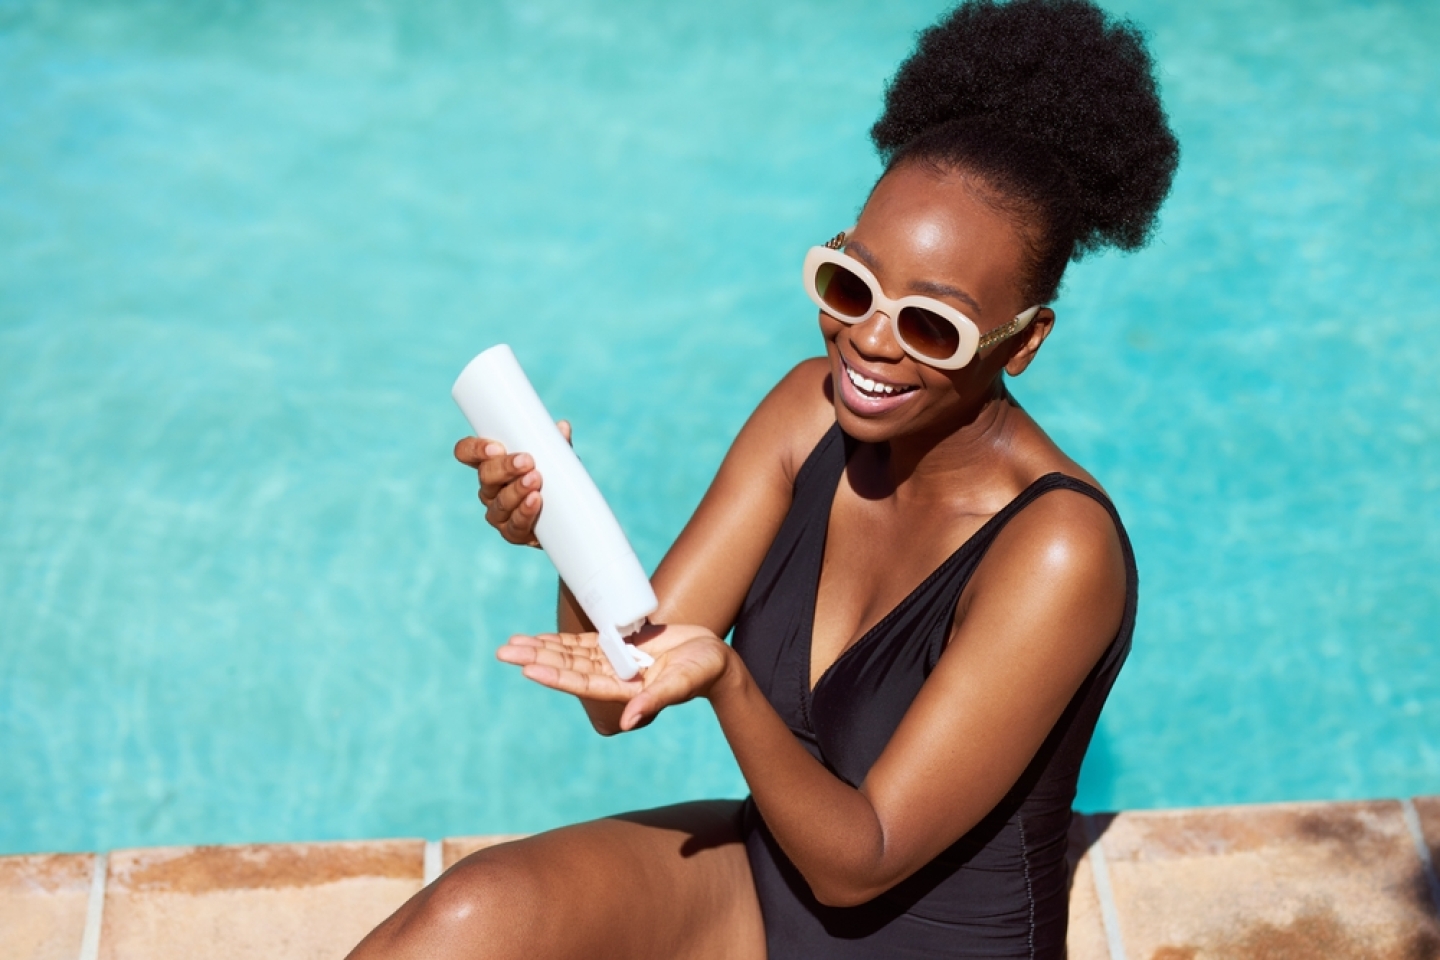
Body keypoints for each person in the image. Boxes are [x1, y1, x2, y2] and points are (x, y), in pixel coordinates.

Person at [349, 0, 1177, 956]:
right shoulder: (807, 411)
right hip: (764, 883)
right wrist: (558, 524)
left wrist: (730, 684)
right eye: (851, 284)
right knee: (468, 913)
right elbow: (619, 690)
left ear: (1022, 342)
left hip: (922, 938)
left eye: (930, 325)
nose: (869, 339)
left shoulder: (1058, 548)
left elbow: (862, 858)